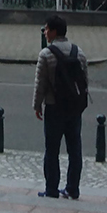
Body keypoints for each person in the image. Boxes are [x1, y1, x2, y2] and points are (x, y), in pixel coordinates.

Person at [32, 14, 87, 200]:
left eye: (47, 29)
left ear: (54, 31)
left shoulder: (46, 54)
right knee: (75, 149)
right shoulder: (78, 52)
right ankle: (73, 188)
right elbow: (84, 82)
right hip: (74, 108)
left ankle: (52, 189)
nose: (45, 32)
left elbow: (41, 84)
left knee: (52, 150)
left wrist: (37, 105)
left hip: (54, 106)